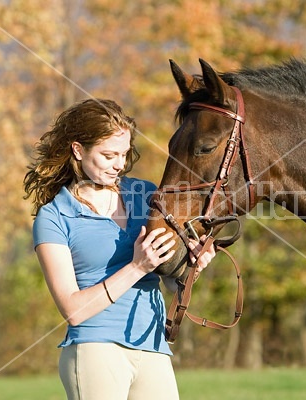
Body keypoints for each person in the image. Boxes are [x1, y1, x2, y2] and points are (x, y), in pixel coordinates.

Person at [23, 98, 215, 400]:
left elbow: (167, 276)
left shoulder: (148, 195)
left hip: (152, 344)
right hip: (94, 348)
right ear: (78, 150)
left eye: (124, 154)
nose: (119, 165)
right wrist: (137, 266)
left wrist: (191, 262)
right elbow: (73, 310)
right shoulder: (53, 216)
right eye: (109, 155)